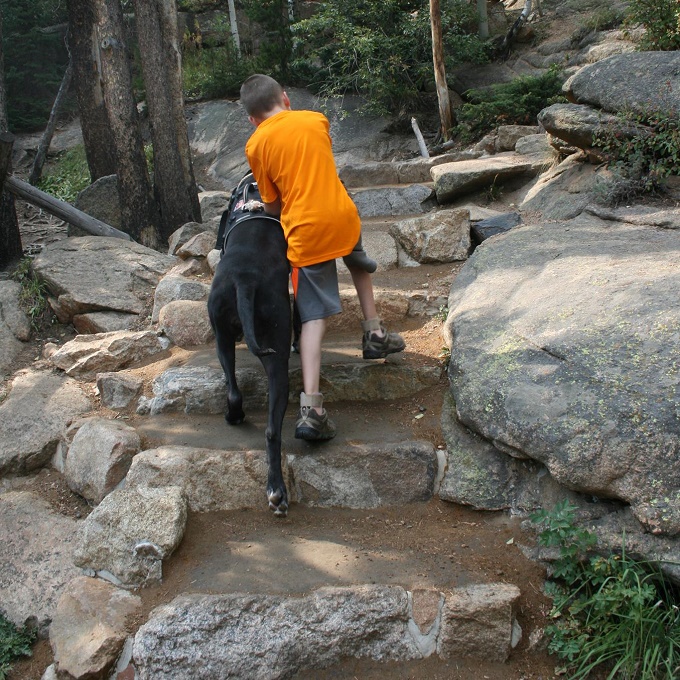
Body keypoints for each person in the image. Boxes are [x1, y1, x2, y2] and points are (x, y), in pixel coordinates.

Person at [240, 74, 405, 441]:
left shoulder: (256, 144)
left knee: (313, 318)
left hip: (305, 233)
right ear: (285, 98)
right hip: (343, 216)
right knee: (357, 262)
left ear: (252, 118)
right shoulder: (316, 119)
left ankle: (312, 410)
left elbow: (271, 203)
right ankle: (374, 332)